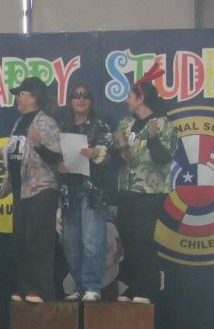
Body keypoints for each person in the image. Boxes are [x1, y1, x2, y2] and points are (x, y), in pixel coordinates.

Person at [111, 62, 178, 304]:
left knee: (143, 237)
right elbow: (119, 160)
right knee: (128, 237)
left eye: (130, 96)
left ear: (140, 98)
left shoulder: (162, 123)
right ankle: (133, 286)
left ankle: (147, 288)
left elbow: (164, 158)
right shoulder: (126, 124)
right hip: (126, 189)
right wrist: (120, 147)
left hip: (150, 191)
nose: (126, 101)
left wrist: (153, 139)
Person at [2, 77, 62, 303]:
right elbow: (17, 153)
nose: (17, 98)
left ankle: (40, 289)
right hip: (21, 189)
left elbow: (56, 157)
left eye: (21, 94)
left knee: (39, 240)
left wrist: (39, 145)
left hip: (41, 188)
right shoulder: (19, 122)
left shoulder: (47, 123)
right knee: (20, 241)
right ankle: (23, 286)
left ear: (33, 97)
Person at [58, 85, 114, 303]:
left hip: (92, 190)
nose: (81, 99)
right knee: (70, 243)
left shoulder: (100, 125)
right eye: (77, 96)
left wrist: (97, 153)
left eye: (86, 96)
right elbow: (53, 154)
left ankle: (92, 286)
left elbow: (110, 157)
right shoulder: (63, 126)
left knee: (92, 240)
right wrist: (59, 165)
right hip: (68, 190)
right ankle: (80, 285)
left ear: (91, 101)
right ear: (70, 100)